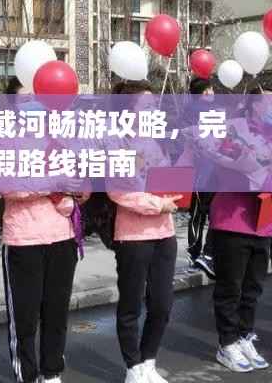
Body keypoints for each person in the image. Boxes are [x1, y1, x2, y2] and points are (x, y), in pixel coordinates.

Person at [0, 77, 84, 383]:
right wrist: (53, 182)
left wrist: (79, 187)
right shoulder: (5, 137)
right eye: (25, 100)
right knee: (25, 317)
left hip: (62, 236)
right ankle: (27, 375)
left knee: (56, 312)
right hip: (24, 239)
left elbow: (82, 185)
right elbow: (7, 184)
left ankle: (52, 372)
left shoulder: (60, 135)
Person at [106, 81, 182, 383]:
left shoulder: (158, 140)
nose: (153, 109)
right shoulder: (115, 142)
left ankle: (149, 360)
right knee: (131, 304)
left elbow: (168, 179)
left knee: (162, 303)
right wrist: (157, 204)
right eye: (146, 105)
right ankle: (133, 366)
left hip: (164, 234)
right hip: (133, 237)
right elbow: (118, 191)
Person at [204, 86, 272, 372]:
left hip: (263, 223)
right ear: (254, 105)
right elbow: (218, 163)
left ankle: (245, 336)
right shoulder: (233, 129)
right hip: (233, 219)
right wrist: (246, 167)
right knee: (230, 287)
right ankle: (227, 343)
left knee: (253, 288)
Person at [184, 78, 216, 278]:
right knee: (205, 215)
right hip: (205, 172)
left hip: (203, 172)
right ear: (204, 92)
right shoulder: (201, 111)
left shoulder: (189, 111)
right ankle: (203, 255)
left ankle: (197, 255)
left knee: (197, 216)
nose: (213, 93)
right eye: (211, 89)